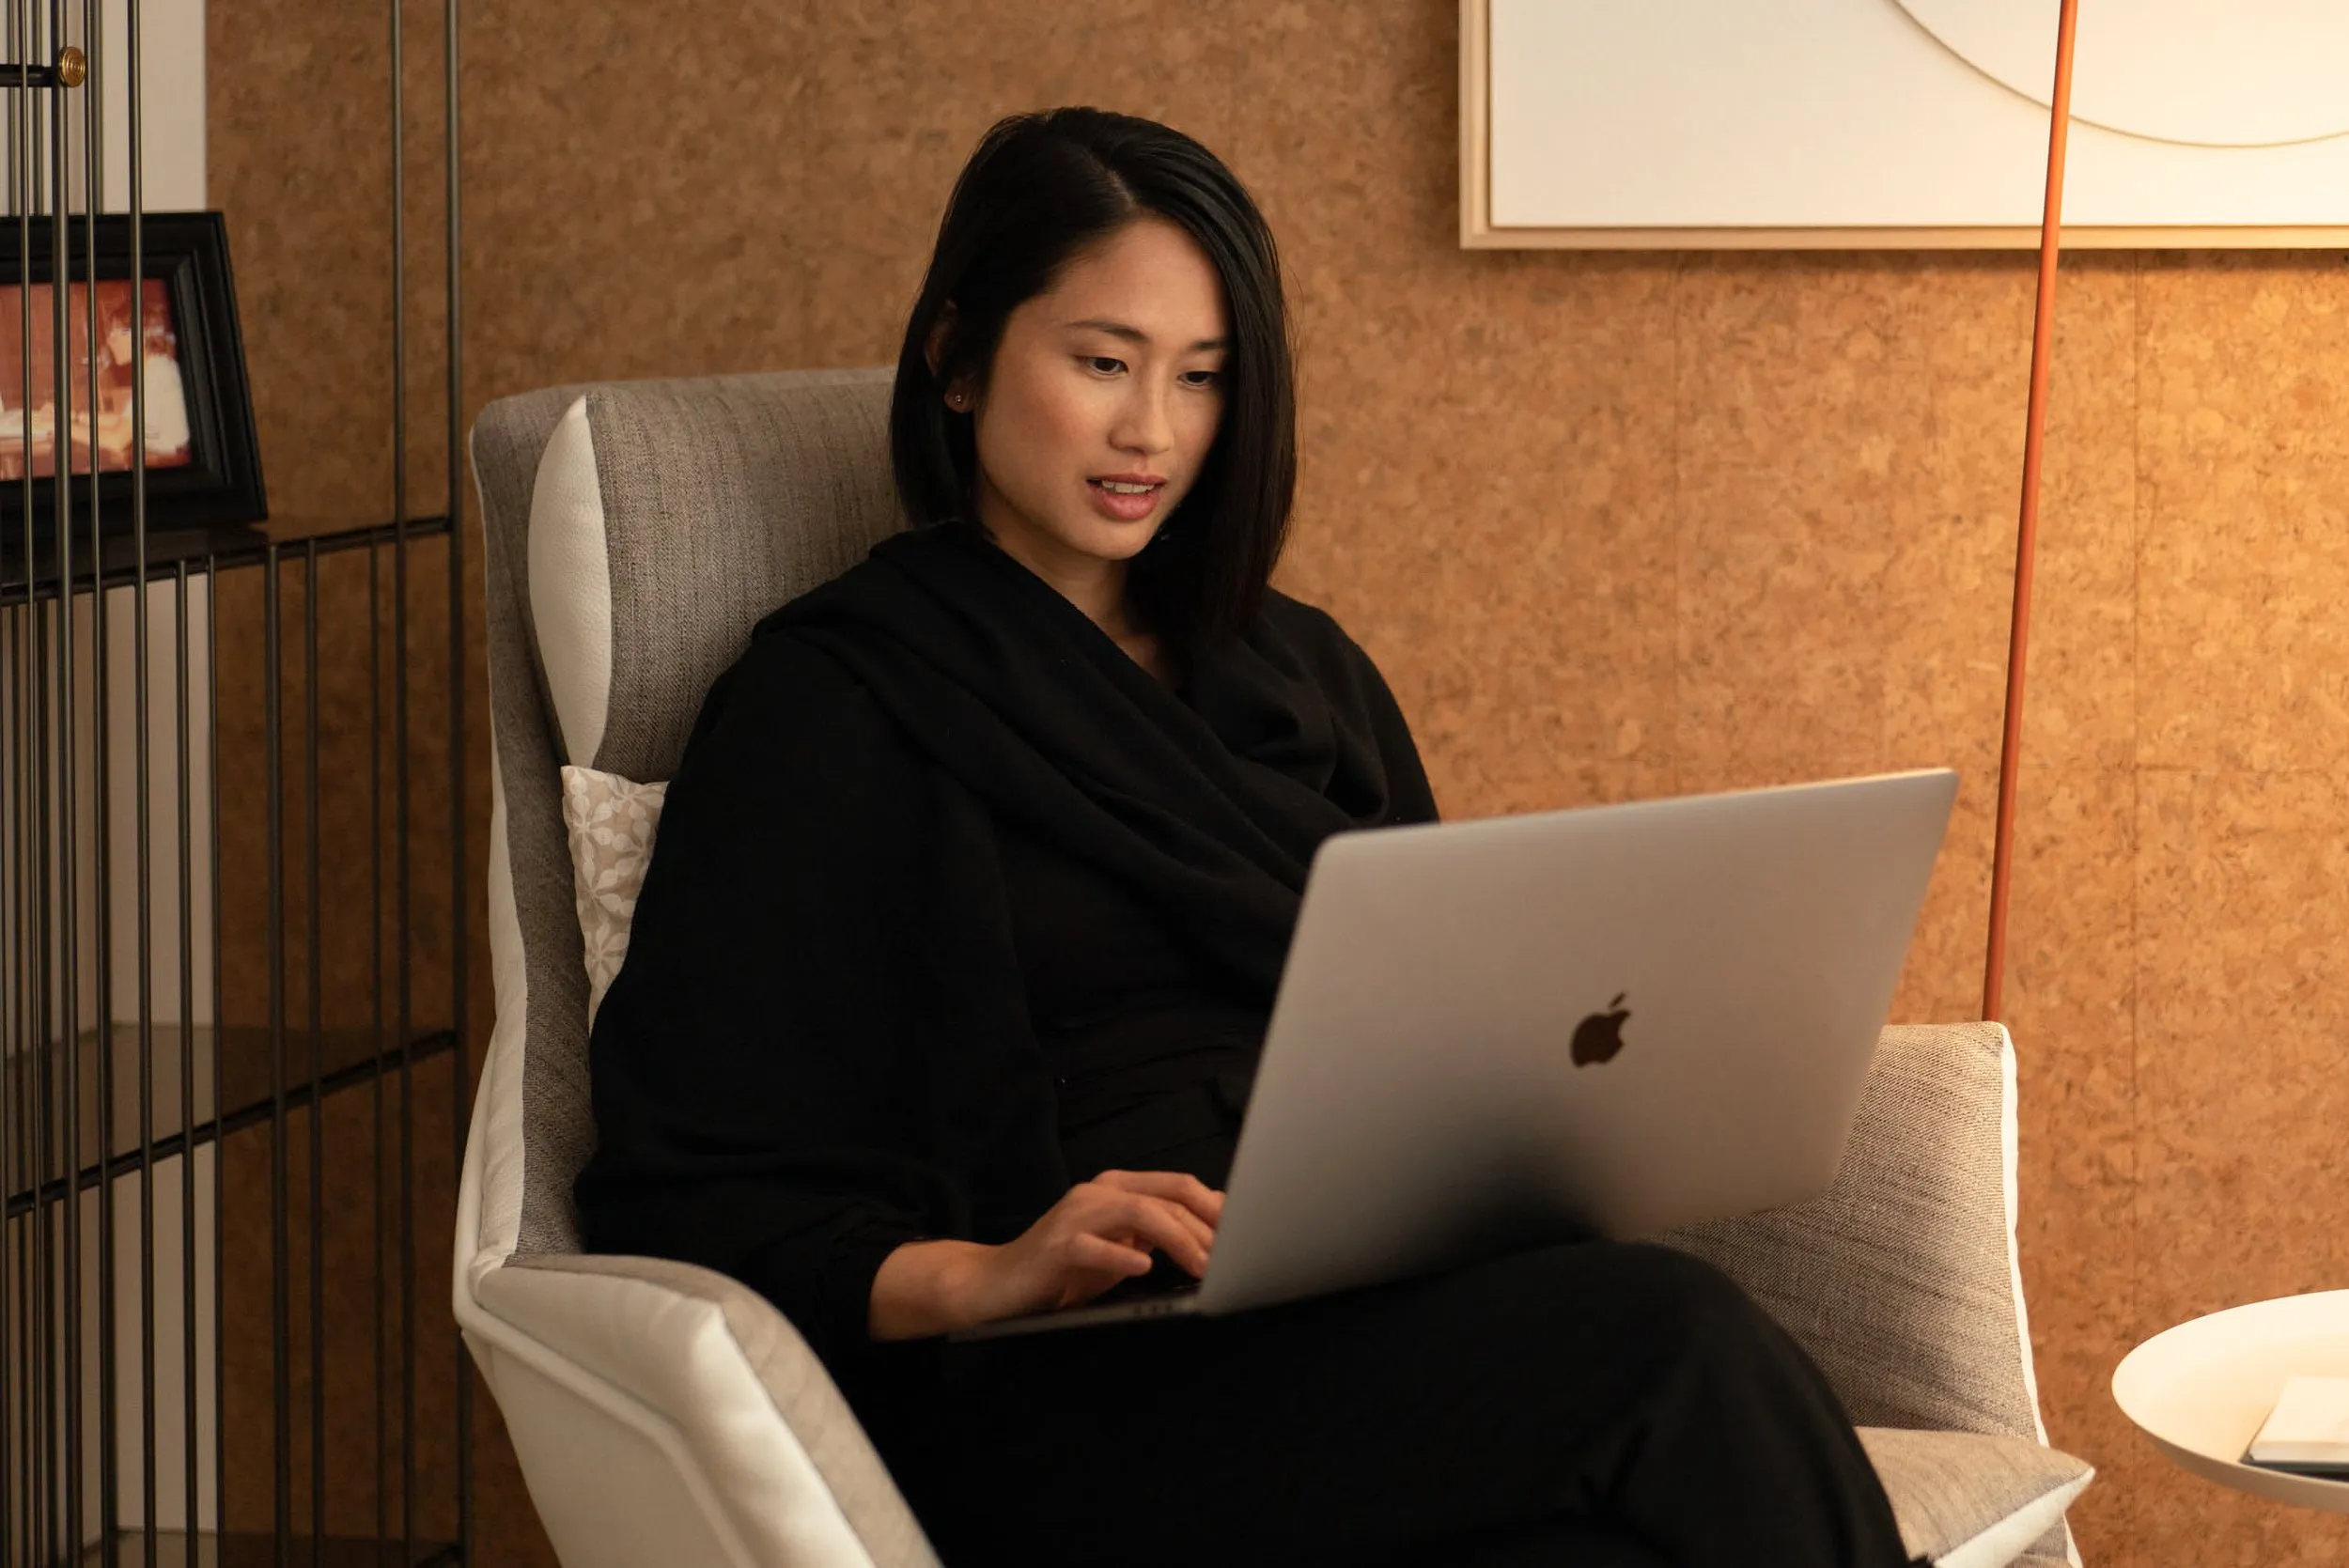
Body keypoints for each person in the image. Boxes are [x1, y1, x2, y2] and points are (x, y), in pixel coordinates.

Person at [575, 107, 1921, 1568]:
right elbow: (684, 1183)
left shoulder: (1306, 674)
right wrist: (985, 1272)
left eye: (1201, 379)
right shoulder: (828, 703)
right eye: (1101, 363)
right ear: (960, 357)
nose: (1151, 431)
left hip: (1359, 1314)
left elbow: (1457, 1028)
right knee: (1677, 1343)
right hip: (1064, 1380)